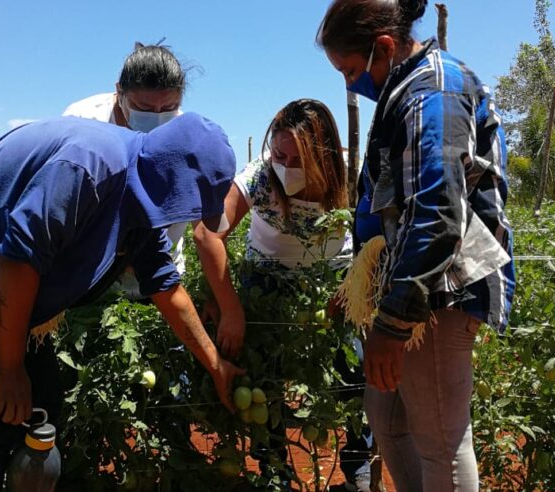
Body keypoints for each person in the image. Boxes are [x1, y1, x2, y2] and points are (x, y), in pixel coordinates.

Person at [0, 113, 243, 491]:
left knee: (44, 401)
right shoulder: (91, 166)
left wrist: (216, 365)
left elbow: (166, 288)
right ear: (172, 181)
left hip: (5, 281)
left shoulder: (143, 197)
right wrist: (11, 368)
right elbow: (20, 259)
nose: (189, 215)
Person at [317, 0, 516, 490]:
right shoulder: (406, 91)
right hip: (409, 289)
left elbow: (437, 212)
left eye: (350, 69)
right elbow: (390, 212)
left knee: (441, 444)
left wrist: (393, 322)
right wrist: (359, 285)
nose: (349, 84)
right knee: (386, 417)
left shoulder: (433, 94)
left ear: (383, 46)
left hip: (439, 291)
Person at [194, 99, 372, 490]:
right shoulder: (260, 177)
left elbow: (375, 241)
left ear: (324, 156)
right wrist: (230, 307)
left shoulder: (351, 175)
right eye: (279, 154)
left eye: (298, 159)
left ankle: (358, 468)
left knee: (355, 375)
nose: (286, 167)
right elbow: (208, 235)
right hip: (267, 281)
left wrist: (352, 285)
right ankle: (275, 471)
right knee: (266, 382)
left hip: (334, 283)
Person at [63, 42, 191, 300]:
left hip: (160, 279)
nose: (157, 117)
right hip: (92, 280)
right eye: (144, 108)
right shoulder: (83, 122)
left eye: (168, 108)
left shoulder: (183, 133)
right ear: (119, 91)